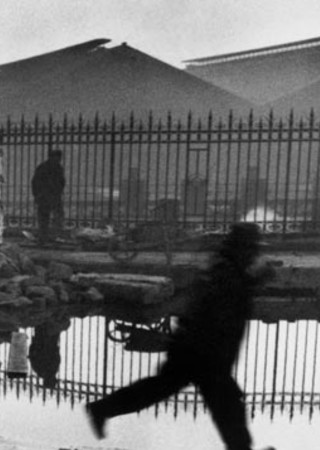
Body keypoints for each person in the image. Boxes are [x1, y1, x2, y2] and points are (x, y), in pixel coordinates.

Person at [86, 222, 276, 450]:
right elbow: (221, 309)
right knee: (226, 404)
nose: (254, 253)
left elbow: (227, 298)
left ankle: (103, 408)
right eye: (252, 248)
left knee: (160, 390)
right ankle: (102, 409)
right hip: (202, 353)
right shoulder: (227, 273)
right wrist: (254, 281)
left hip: (198, 351)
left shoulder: (226, 268)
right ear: (244, 248)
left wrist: (253, 281)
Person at [31, 149, 65, 243]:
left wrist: (37, 195)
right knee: (48, 217)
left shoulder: (47, 167)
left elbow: (61, 182)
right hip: (47, 196)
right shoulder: (47, 168)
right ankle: (48, 236)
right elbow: (36, 182)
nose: (58, 159)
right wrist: (37, 195)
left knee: (48, 217)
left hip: (49, 196)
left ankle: (47, 236)